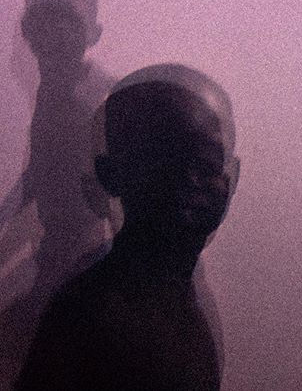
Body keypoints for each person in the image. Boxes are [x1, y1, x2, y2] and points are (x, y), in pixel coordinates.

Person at [16, 64, 240, 390]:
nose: (190, 181)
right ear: (110, 173)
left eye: (206, 165)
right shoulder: (87, 317)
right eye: (164, 163)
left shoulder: (177, 307)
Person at [0, 0, 117, 389]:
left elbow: (120, 212)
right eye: (38, 25)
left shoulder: (104, 106)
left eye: (64, 26)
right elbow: (39, 171)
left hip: (85, 267)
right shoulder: (53, 91)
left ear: (92, 34)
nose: (48, 40)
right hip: (59, 257)